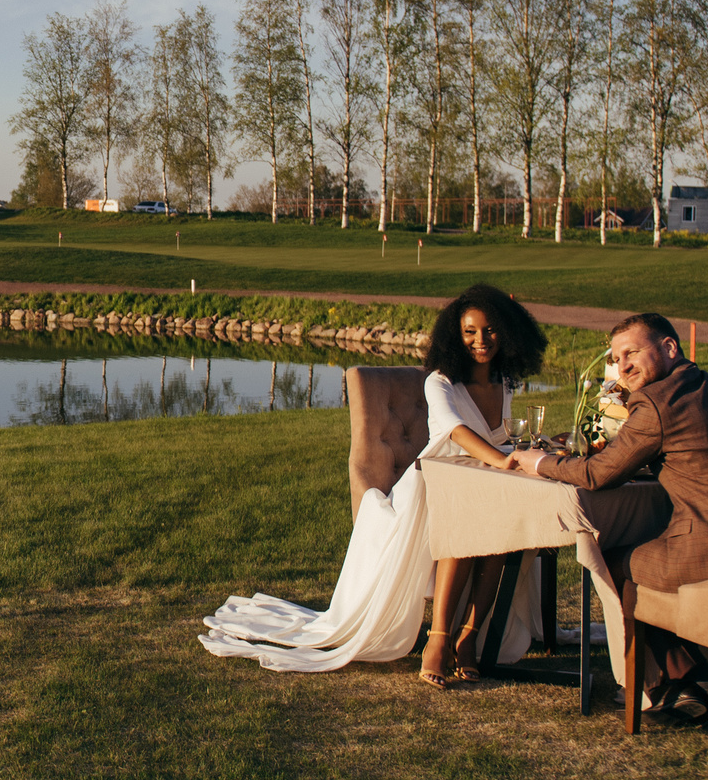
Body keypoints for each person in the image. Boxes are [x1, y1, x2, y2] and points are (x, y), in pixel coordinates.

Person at [198, 282, 547, 682]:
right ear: (456, 334)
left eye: (489, 330)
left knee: (499, 536)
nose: (480, 341)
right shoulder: (440, 381)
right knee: (463, 524)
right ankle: (438, 638)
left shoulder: (502, 383)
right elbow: (456, 430)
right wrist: (503, 462)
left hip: (484, 478)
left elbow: (498, 434)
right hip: (434, 483)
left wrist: (526, 449)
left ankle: (468, 637)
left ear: (506, 330)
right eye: (470, 332)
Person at [509, 311, 708, 720]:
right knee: (638, 552)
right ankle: (701, 683)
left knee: (611, 562)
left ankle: (670, 685)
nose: (622, 366)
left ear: (669, 348)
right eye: (616, 358)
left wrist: (540, 461)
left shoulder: (657, 402)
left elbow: (599, 473)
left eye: (631, 353)